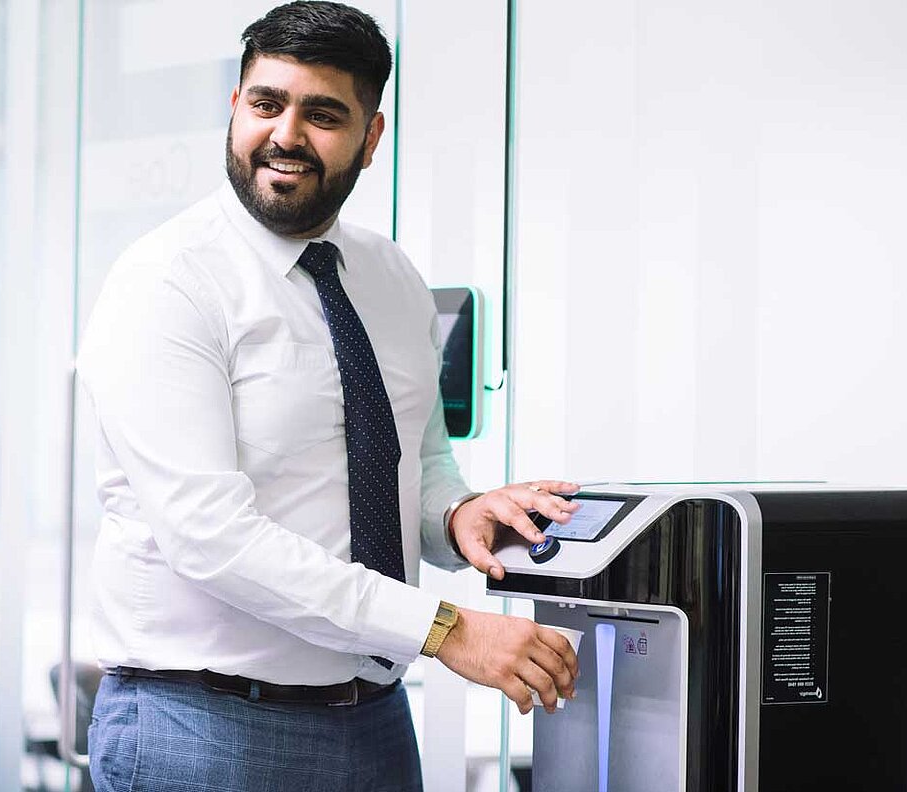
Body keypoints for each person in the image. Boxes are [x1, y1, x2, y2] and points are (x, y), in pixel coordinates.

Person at [76, 3, 581, 790]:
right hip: (202, 732)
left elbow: (419, 459)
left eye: (323, 115)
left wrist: (456, 514)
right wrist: (443, 631)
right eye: (266, 104)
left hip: (373, 722)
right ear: (234, 108)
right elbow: (210, 537)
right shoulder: (167, 282)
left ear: (371, 138)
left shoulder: (391, 278)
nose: (285, 137)